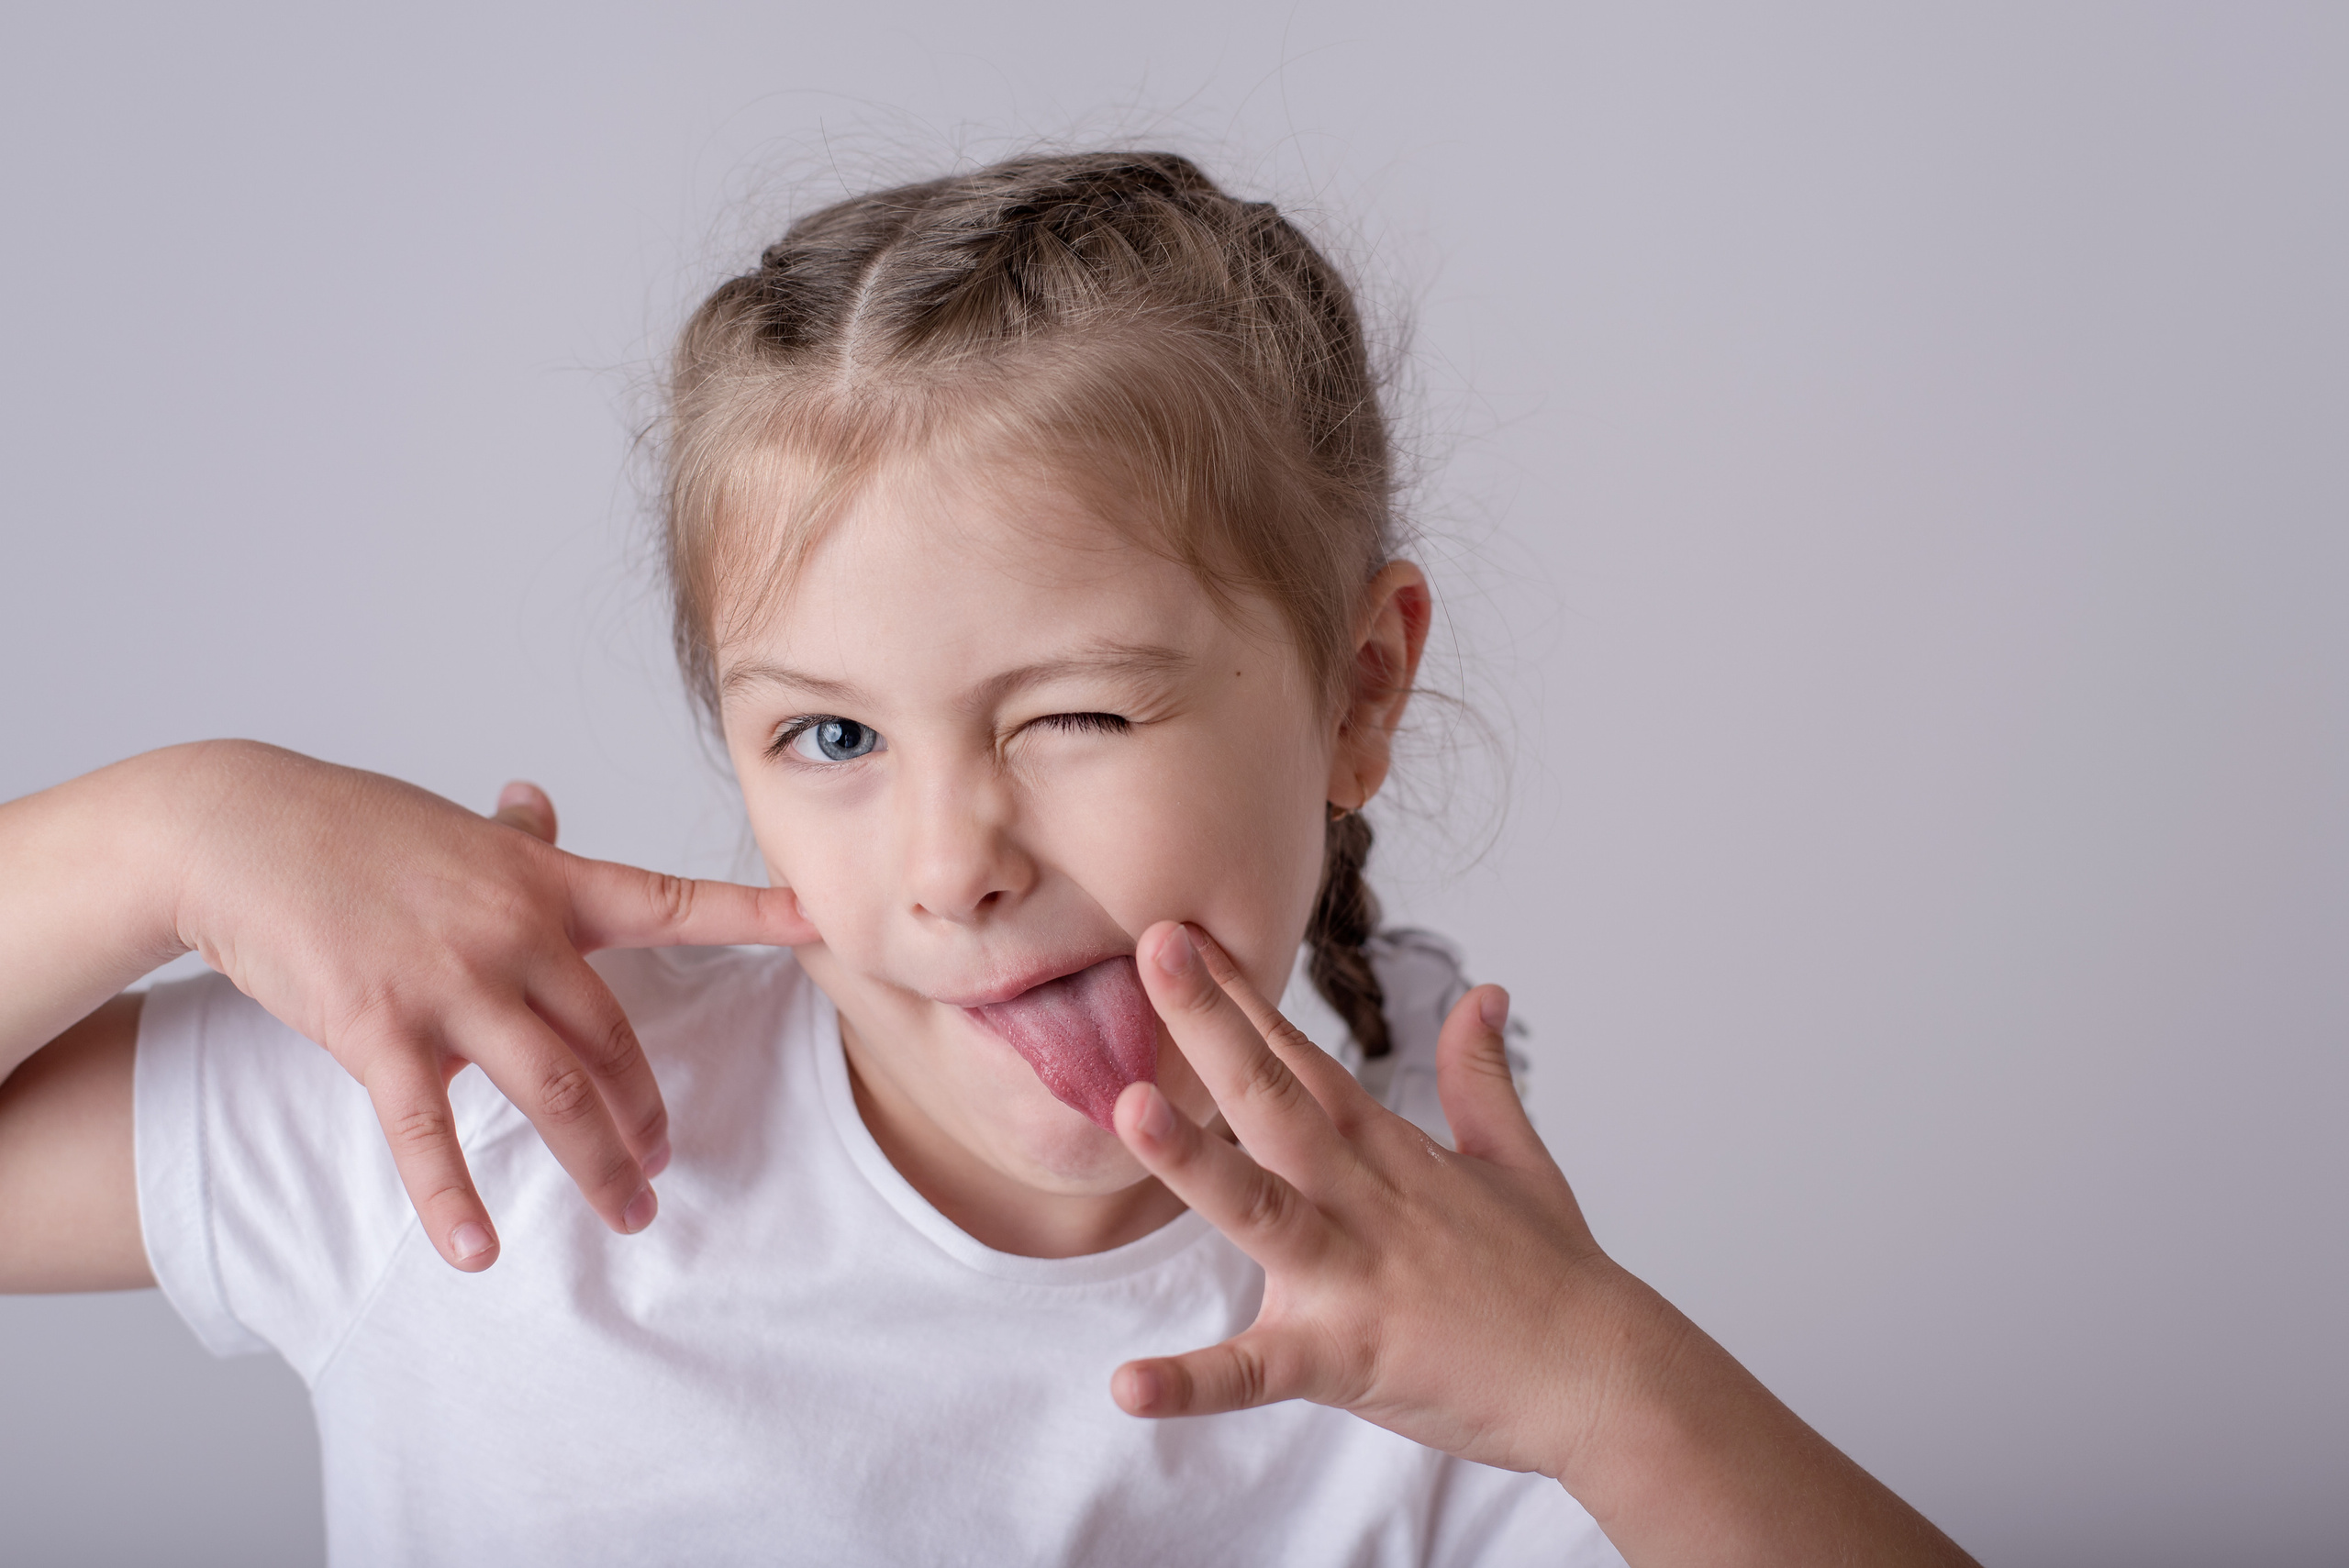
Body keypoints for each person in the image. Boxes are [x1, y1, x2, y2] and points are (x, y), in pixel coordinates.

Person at [0, 151, 1976, 1567]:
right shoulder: (492, 1111)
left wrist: (1601, 1387)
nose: (950, 867)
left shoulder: (1454, 1340)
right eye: (831, 738)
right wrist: (177, 827)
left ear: (1359, 689)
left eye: (1076, 716)